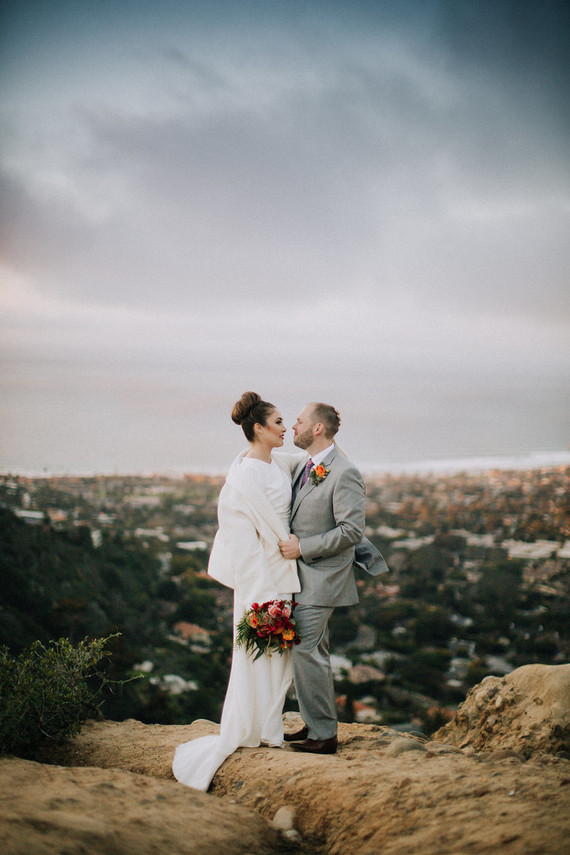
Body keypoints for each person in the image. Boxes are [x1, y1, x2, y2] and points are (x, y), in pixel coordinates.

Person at [172, 392, 301, 791]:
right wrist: (261, 597)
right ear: (258, 428)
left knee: (283, 660)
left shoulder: (279, 461)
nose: (285, 428)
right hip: (261, 579)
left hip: (286, 570)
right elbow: (241, 542)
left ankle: (269, 726)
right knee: (256, 654)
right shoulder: (242, 478)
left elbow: (319, 462)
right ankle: (252, 729)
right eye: (279, 422)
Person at [279, 402, 388, 754]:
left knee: (303, 648)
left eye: (298, 421)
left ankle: (324, 736)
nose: (292, 426)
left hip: (323, 577)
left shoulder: (345, 472)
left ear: (317, 429)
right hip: (301, 578)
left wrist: (303, 548)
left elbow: (352, 530)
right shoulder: (304, 466)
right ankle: (316, 726)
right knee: (315, 650)